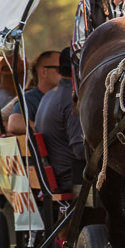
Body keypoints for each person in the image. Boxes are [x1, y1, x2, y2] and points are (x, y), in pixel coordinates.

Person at [34, 47, 85, 191]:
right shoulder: (72, 99)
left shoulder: (48, 95)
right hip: (72, 179)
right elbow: (80, 151)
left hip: (56, 176)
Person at [0, 50, 61, 135]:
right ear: (43, 72)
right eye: (60, 69)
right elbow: (12, 124)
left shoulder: (64, 97)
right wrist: (51, 129)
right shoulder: (29, 98)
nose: (67, 73)